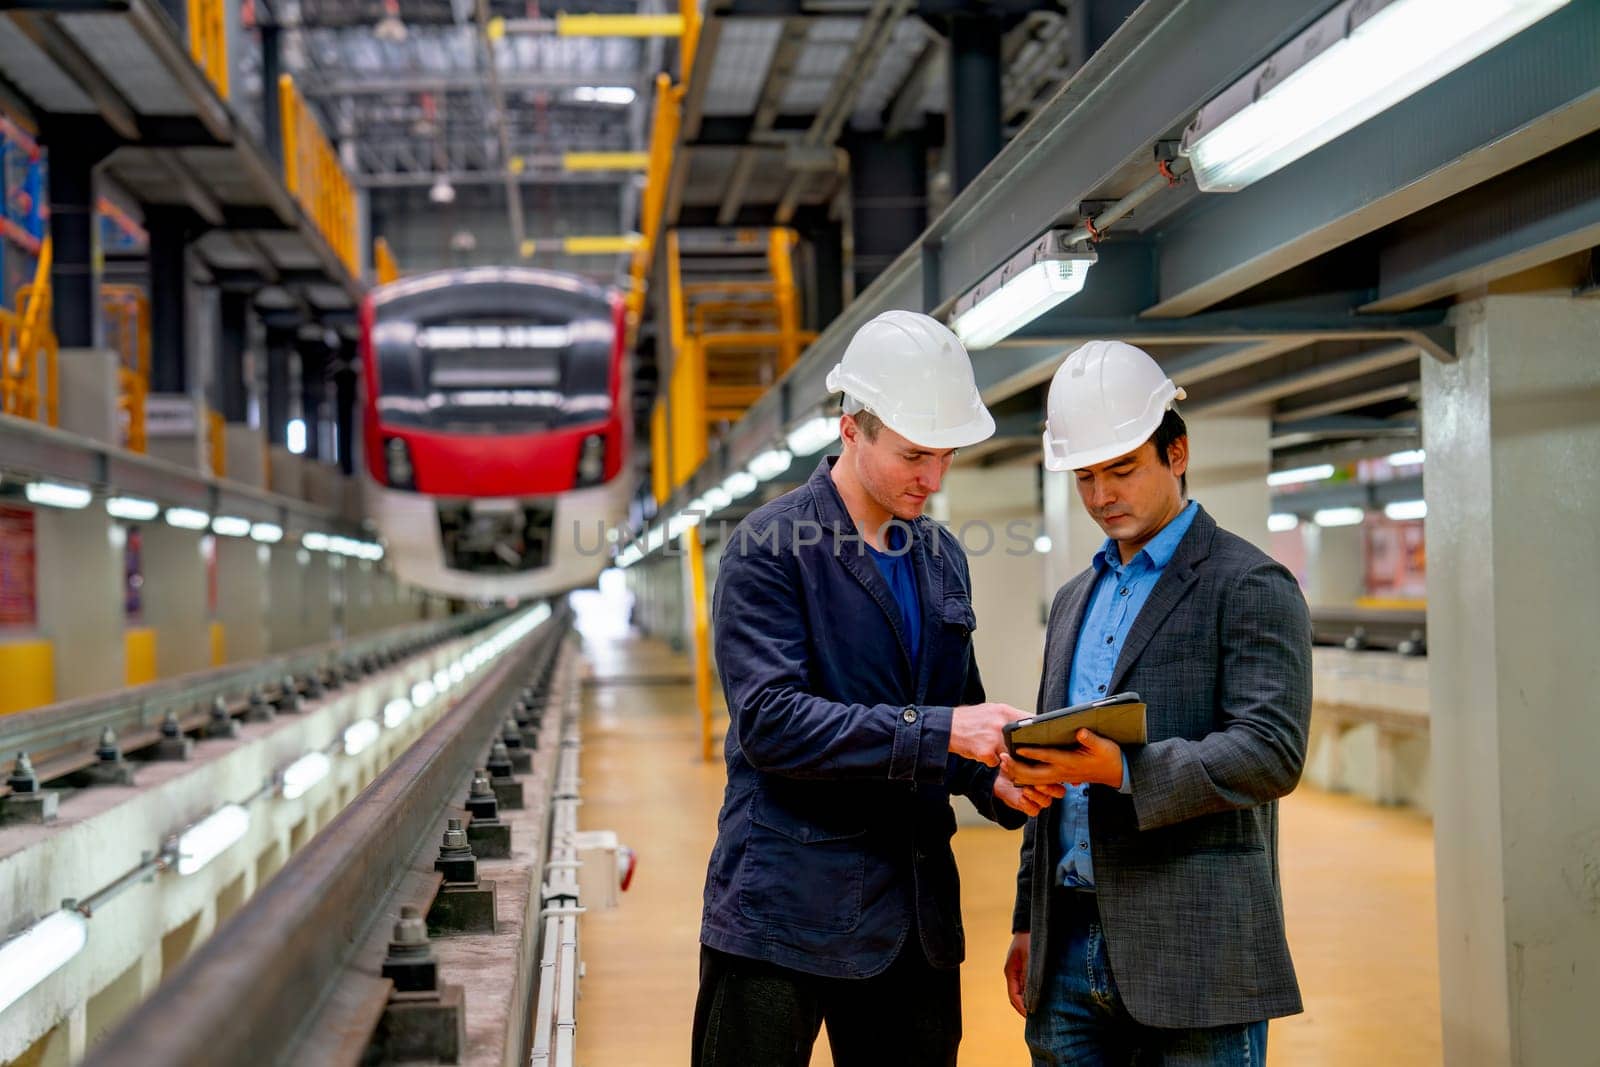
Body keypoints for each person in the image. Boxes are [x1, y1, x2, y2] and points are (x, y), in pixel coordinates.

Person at [694, 310, 1059, 1067]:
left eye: (946, 455)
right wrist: (944, 733)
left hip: (913, 919)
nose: (932, 477)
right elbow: (770, 722)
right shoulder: (769, 549)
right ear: (850, 429)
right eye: (913, 454)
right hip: (784, 909)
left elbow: (957, 719)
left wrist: (1002, 777)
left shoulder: (941, 556)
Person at [1001, 340, 1312, 1066]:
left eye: (1122, 468)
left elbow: (1271, 750)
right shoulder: (1075, 600)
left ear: (1176, 453)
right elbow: (1046, 767)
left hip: (1195, 950)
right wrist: (1028, 922)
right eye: (1085, 476)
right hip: (1068, 951)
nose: (1103, 494)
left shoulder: (1249, 584)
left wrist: (1126, 770)